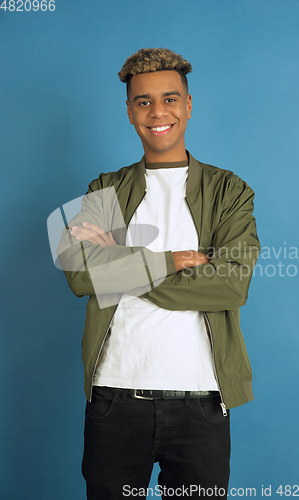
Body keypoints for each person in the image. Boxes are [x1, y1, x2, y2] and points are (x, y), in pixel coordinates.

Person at [56, 48, 260, 499]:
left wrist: (121, 263)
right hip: (114, 397)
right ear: (130, 112)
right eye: (143, 101)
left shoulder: (229, 190)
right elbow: (79, 275)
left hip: (203, 402)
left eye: (170, 98)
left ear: (188, 105)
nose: (158, 112)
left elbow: (229, 284)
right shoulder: (105, 189)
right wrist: (172, 260)